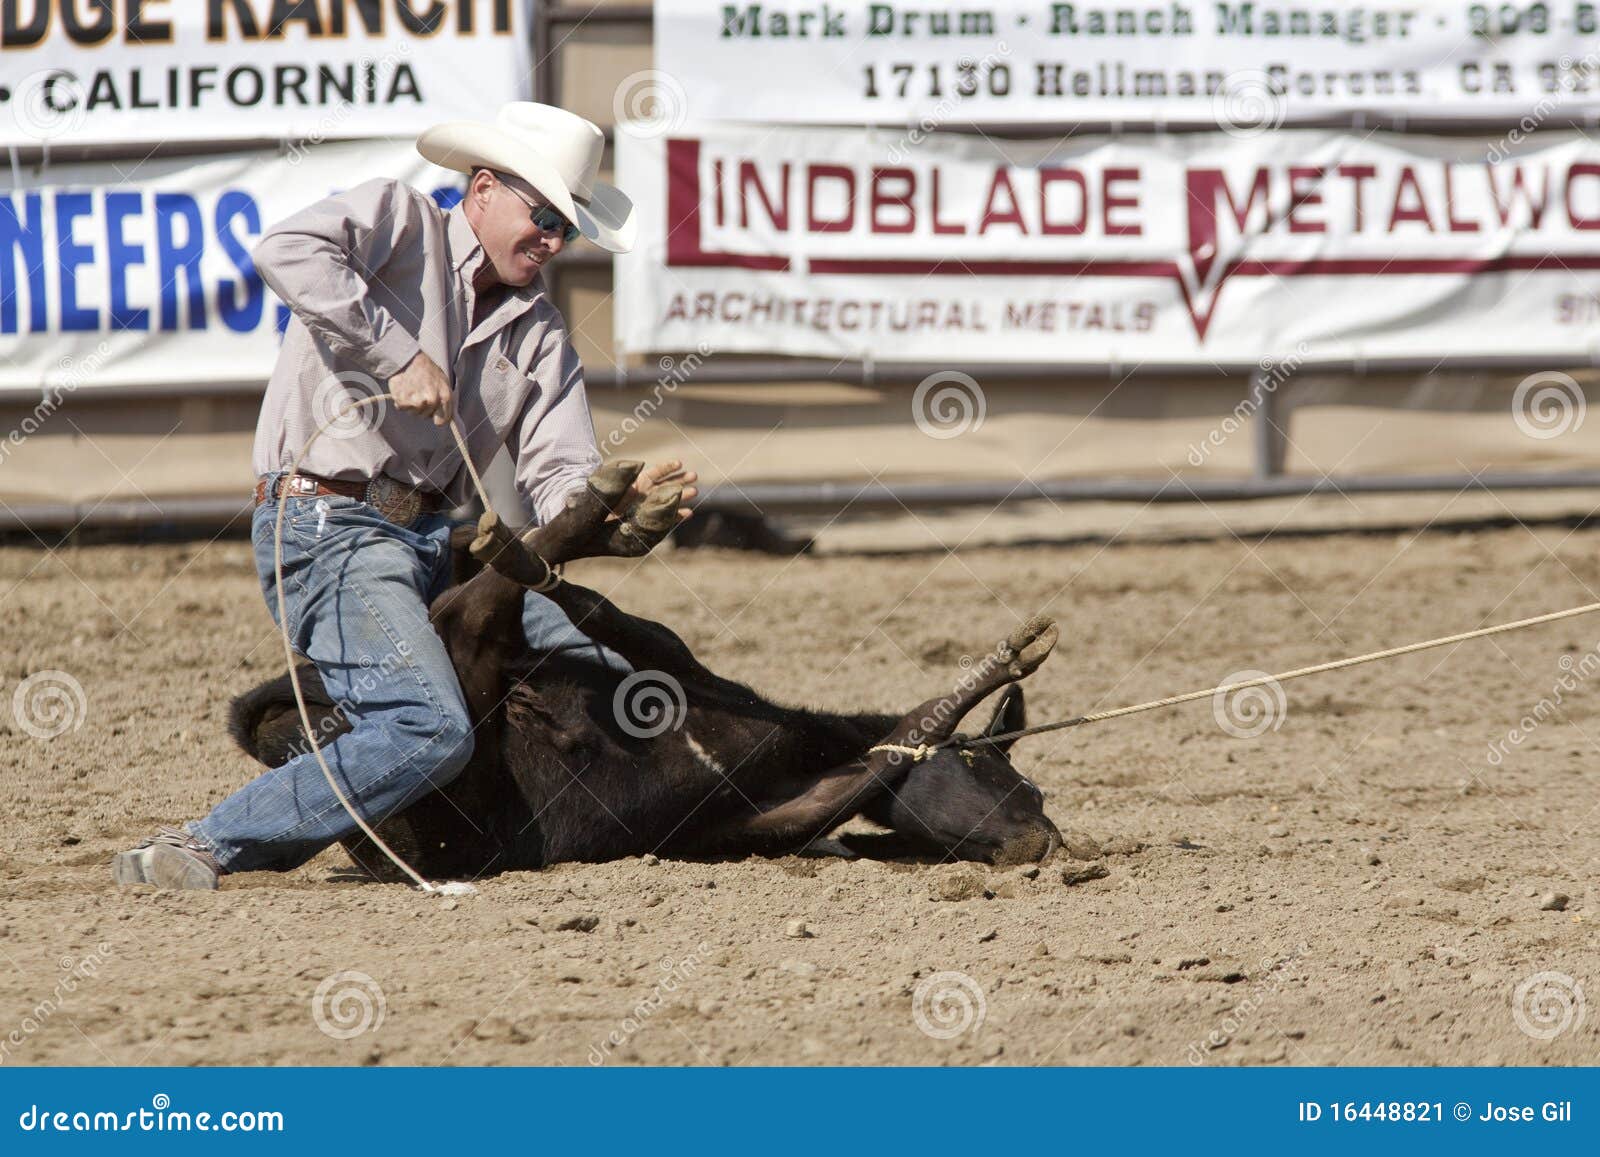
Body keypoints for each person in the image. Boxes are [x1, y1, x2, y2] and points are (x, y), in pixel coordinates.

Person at [112, 102, 696, 891]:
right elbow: (285, 247)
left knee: (593, 668)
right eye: (545, 215)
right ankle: (207, 842)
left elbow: (559, 474)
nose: (556, 240)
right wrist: (394, 355)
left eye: (569, 226)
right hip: (325, 524)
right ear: (482, 189)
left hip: (430, 543)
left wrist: (615, 511)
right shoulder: (398, 219)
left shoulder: (541, 333)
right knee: (427, 724)